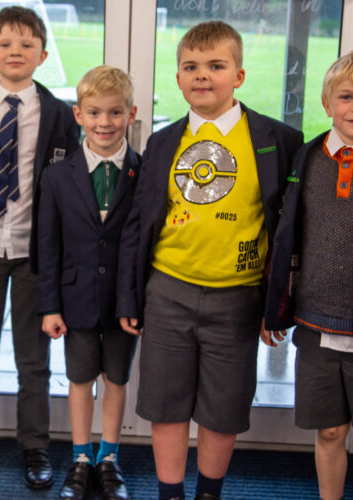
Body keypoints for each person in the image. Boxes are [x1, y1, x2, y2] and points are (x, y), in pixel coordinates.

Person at [117, 21, 303, 500]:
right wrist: (129, 296)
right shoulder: (162, 142)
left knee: (223, 409)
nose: (202, 75)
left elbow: (289, 231)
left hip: (238, 299)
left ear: (238, 76)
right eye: (191, 67)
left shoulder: (278, 140)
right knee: (166, 404)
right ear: (178, 78)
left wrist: (278, 304)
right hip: (167, 293)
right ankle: (170, 493)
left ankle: (208, 493)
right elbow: (139, 224)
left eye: (216, 66)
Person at [0, 6, 79, 490]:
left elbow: (67, 187)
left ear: (43, 55)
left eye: (27, 44)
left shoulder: (60, 115)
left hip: (34, 255)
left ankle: (35, 446)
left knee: (34, 359)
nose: (15, 52)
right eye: (5, 44)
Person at [38, 64, 140, 500]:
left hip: (124, 301)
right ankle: (81, 459)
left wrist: (136, 299)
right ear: (78, 114)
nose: (104, 122)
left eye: (115, 112)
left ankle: (109, 459)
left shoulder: (143, 171)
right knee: (80, 379)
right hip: (74, 298)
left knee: (116, 378)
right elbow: (47, 245)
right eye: (94, 113)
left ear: (131, 114)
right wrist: (49, 305)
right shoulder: (57, 176)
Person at [263, 51, 353, 500]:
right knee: (330, 430)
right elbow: (286, 239)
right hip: (317, 322)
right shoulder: (307, 158)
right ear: (326, 102)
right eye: (347, 96)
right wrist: (274, 309)